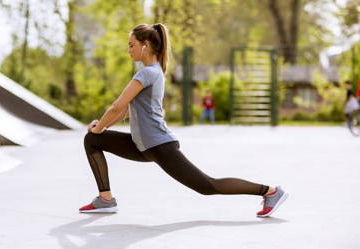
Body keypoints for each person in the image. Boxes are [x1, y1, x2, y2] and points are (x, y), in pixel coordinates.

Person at [80, 23, 289, 218]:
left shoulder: (147, 73)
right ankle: (106, 199)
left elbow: (117, 106)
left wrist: (100, 126)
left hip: (160, 145)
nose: (129, 50)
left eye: (131, 45)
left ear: (145, 45)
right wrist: (100, 128)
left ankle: (269, 192)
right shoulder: (151, 73)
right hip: (142, 145)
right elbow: (123, 111)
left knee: (208, 186)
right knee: (92, 140)